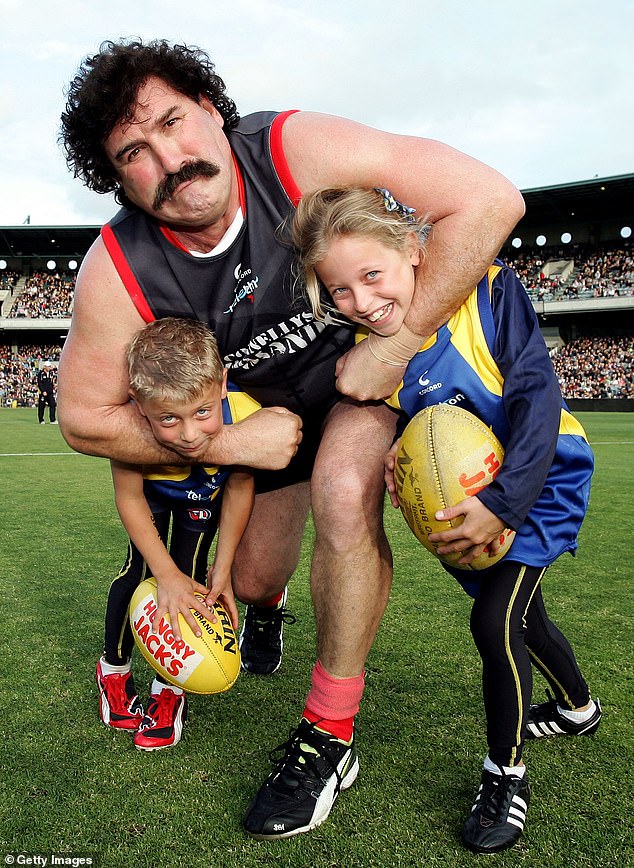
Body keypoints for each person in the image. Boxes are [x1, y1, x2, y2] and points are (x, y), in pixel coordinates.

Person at [57, 38, 525, 838]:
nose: (170, 158)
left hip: (358, 386)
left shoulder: (292, 151)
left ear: (212, 109)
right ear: (117, 179)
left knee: (345, 493)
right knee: (252, 574)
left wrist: (396, 339)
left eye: (175, 120)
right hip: (261, 425)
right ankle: (270, 609)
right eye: (135, 151)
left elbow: (489, 200)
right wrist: (226, 447)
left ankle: (328, 733)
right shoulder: (118, 264)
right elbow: (81, 417)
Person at [291, 185, 601, 854]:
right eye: (338, 290)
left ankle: (505, 774)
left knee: (494, 623)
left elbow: (536, 399)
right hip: (473, 494)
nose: (360, 301)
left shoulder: (488, 291)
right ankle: (578, 709)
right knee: (524, 616)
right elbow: (421, 432)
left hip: (539, 476)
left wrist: (502, 505)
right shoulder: (380, 355)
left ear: (413, 249)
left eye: (371, 275)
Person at [98, 317, 258, 751]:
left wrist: (221, 569)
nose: (190, 434)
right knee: (140, 573)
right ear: (138, 402)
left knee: (192, 578)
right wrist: (162, 574)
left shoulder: (247, 416)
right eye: (168, 418)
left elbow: (240, 487)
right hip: (150, 497)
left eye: (202, 412)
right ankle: (113, 670)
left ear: (222, 383)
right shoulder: (124, 425)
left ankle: (170, 689)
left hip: (201, 498)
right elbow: (129, 500)